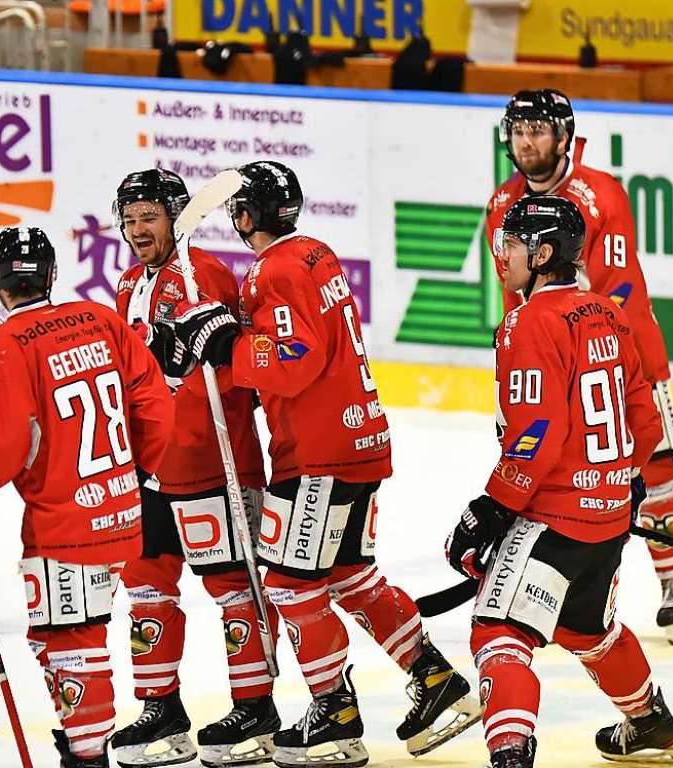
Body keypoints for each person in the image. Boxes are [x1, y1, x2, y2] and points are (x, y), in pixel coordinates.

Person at [167, 161, 480, 767]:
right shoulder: (316, 254)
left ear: (248, 215)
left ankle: (332, 712)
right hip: (358, 443)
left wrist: (227, 345)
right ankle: (436, 681)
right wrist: (227, 347)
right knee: (348, 576)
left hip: (317, 456)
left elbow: (294, 359)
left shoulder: (272, 269)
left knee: (289, 584)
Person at [0, 226, 175, 768]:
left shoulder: (1, 347)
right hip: (122, 512)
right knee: (78, 634)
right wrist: (134, 474)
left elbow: (1, 447)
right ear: (52, 275)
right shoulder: (101, 320)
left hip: (63, 525)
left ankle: (87, 757)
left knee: (68, 640)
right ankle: (88, 750)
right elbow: (154, 403)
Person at [448, 195, 673, 768]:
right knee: (585, 629)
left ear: (544, 253)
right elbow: (644, 414)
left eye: (511, 243)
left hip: (553, 516)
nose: (500, 252)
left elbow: (536, 433)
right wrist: (623, 480)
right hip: (605, 517)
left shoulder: (528, 321)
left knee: (498, 634)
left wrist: (492, 506)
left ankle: (511, 757)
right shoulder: (606, 310)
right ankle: (650, 722)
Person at [485, 89, 673, 644]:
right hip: (556, 365)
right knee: (566, 475)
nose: (525, 141)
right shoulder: (502, 202)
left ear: (563, 136)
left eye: (537, 130)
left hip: (623, 356)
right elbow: (518, 297)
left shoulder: (600, 194)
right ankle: (579, 593)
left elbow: (621, 292)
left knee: (651, 468)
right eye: (518, 130)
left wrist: (601, 366)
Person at [109, 169, 280, 768]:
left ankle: (255, 705)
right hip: (146, 465)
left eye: (149, 217)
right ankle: (162, 708)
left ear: (177, 218)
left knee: (234, 589)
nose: (137, 230)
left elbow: (235, 366)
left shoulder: (206, 273)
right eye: (129, 219)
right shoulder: (129, 283)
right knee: (146, 587)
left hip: (211, 458)